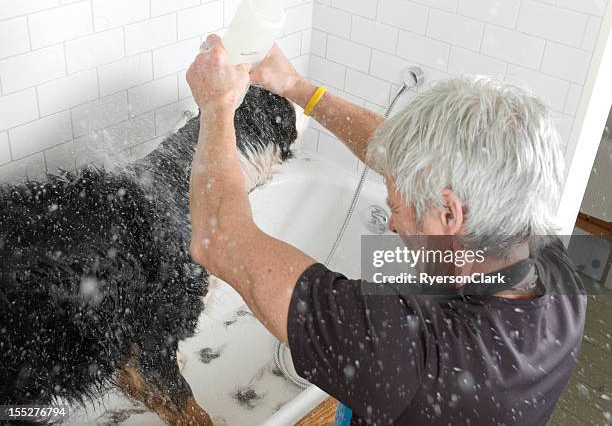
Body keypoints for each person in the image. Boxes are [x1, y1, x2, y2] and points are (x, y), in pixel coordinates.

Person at [186, 35, 586, 425]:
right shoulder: (553, 266)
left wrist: (217, 107)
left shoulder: (410, 353)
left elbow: (220, 240)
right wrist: (295, 87)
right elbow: (404, 158)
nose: (391, 223)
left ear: (450, 213)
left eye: (396, 205)